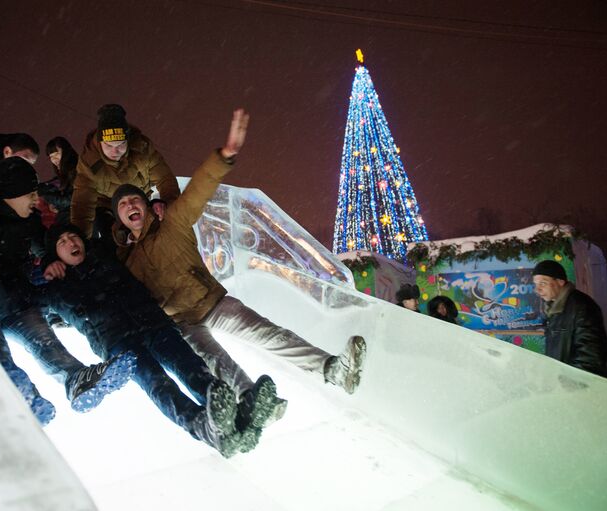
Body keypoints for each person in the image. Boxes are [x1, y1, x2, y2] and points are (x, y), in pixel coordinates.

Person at [112, 109, 367, 395]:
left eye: (135, 199)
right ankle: (251, 399)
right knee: (216, 361)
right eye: (123, 205)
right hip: (180, 322)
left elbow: (198, 190)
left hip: (210, 300)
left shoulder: (172, 222)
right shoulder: (125, 263)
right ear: (119, 218)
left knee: (268, 333)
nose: (131, 206)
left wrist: (224, 155)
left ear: (147, 205)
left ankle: (331, 370)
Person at [41, 223, 283, 456]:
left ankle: (234, 418)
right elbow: (51, 304)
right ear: (55, 255)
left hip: (152, 322)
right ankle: (205, 428)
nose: (70, 242)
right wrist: (48, 272)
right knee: (158, 385)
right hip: (118, 343)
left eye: (73, 236)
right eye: (62, 242)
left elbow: (106, 223)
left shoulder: (104, 255)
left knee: (190, 365)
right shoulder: (57, 287)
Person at [0, 156, 135, 425]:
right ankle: (22, 397)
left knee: (43, 338)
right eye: (30, 194)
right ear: (9, 195)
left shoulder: (26, 217)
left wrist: (49, 261)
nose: (36, 199)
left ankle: (77, 379)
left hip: (11, 291)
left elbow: (38, 244)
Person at [70, 104, 179, 241]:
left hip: (140, 203)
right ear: (99, 142)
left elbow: (165, 179)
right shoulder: (89, 163)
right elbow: (83, 205)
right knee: (111, 240)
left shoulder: (143, 149)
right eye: (109, 146)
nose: (115, 152)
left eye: (121, 144)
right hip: (107, 208)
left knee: (155, 237)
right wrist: (80, 241)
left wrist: (169, 207)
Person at [532, 260, 607, 376]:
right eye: (535, 285)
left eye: (543, 283)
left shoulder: (581, 306)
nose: (537, 290)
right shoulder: (555, 308)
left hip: (579, 386)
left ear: (560, 282)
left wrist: (569, 384)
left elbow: (590, 357)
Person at [37, 137, 78, 228]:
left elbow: (73, 200)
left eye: (56, 154)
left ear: (66, 152)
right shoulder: (63, 174)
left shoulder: (78, 170)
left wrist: (46, 196)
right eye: (51, 156)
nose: (54, 159)